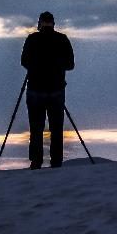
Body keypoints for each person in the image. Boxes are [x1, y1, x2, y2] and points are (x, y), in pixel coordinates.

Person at [20, 11, 75, 169]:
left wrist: (36, 66)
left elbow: (24, 61)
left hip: (36, 90)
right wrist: (56, 65)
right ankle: (56, 161)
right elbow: (70, 64)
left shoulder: (32, 39)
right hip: (56, 91)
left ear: (40, 23)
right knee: (56, 128)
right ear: (53, 23)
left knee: (36, 127)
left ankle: (36, 161)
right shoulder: (62, 39)